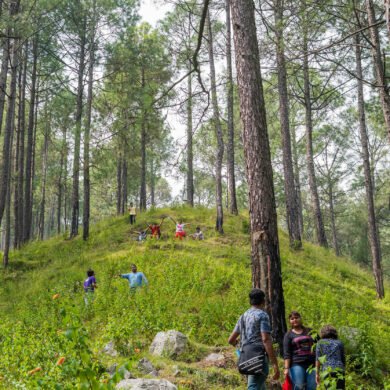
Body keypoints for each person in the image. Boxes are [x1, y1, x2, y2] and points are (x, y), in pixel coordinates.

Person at [228, 289, 280, 390]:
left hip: (246, 357)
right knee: (253, 386)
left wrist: (239, 344)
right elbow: (266, 340)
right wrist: (275, 363)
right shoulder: (262, 315)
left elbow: (231, 340)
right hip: (259, 358)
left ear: (250, 301)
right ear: (263, 301)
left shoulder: (243, 316)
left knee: (260, 386)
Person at [283, 311, 317, 390]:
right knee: (299, 386)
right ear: (289, 321)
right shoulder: (288, 335)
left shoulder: (310, 331)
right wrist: (286, 368)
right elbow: (287, 353)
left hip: (312, 364)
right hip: (297, 364)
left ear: (300, 318)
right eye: (292, 319)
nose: (294, 320)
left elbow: (318, 347)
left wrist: (319, 363)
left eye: (296, 318)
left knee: (311, 387)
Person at [316, 325, 345, 389]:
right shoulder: (339, 342)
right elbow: (343, 358)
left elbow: (318, 359)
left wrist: (317, 373)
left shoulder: (320, 343)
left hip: (327, 370)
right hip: (339, 369)